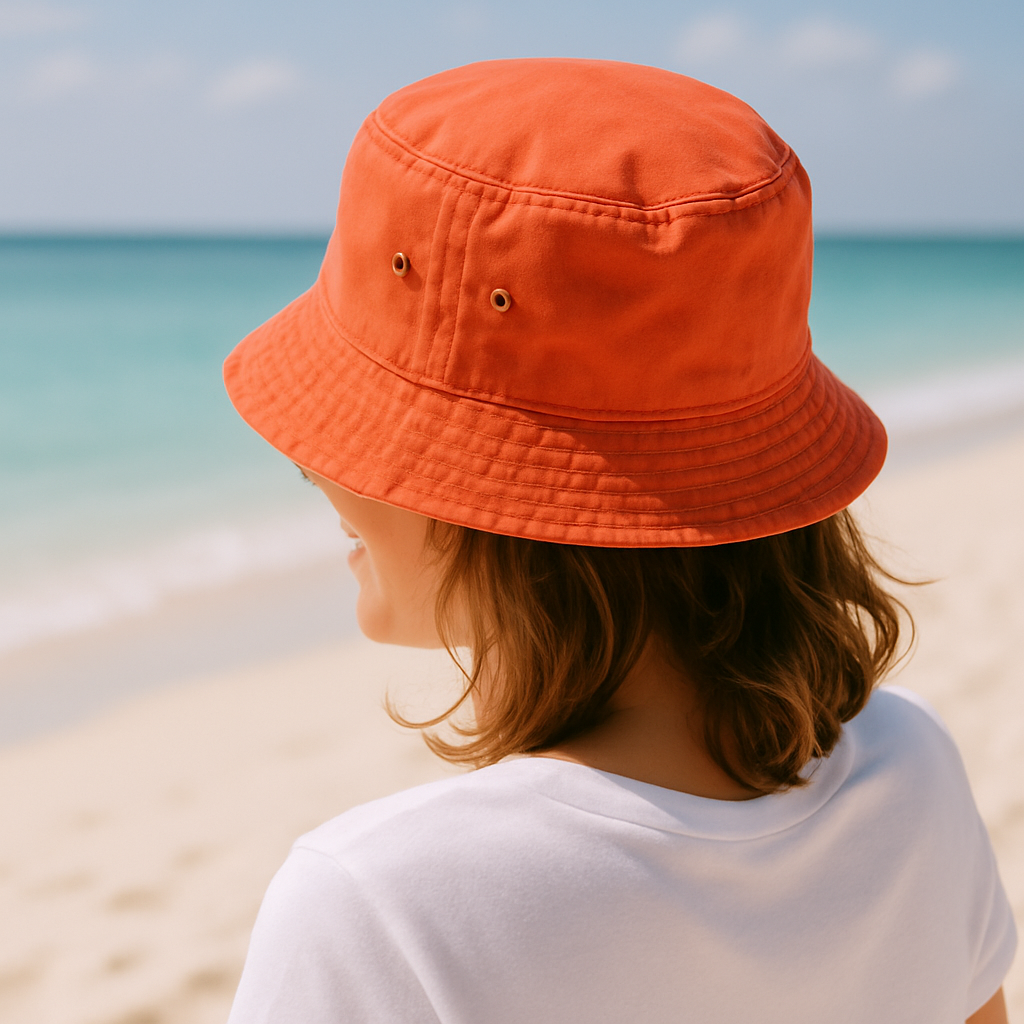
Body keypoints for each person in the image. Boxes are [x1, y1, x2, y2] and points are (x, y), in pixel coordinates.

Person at [222, 59, 1016, 1023]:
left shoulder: (383, 907)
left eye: (358, 433)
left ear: (496, 509)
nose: (315, 469)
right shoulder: (910, 771)